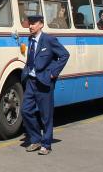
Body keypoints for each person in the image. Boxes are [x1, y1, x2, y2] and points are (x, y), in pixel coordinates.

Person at [21, 14, 70, 155]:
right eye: (29, 23)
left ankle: (46, 144)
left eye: (34, 23)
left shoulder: (49, 40)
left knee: (46, 115)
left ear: (41, 24)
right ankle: (35, 139)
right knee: (25, 110)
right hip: (31, 81)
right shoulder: (30, 40)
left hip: (44, 82)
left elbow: (64, 55)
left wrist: (53, 73)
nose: (30, 26)